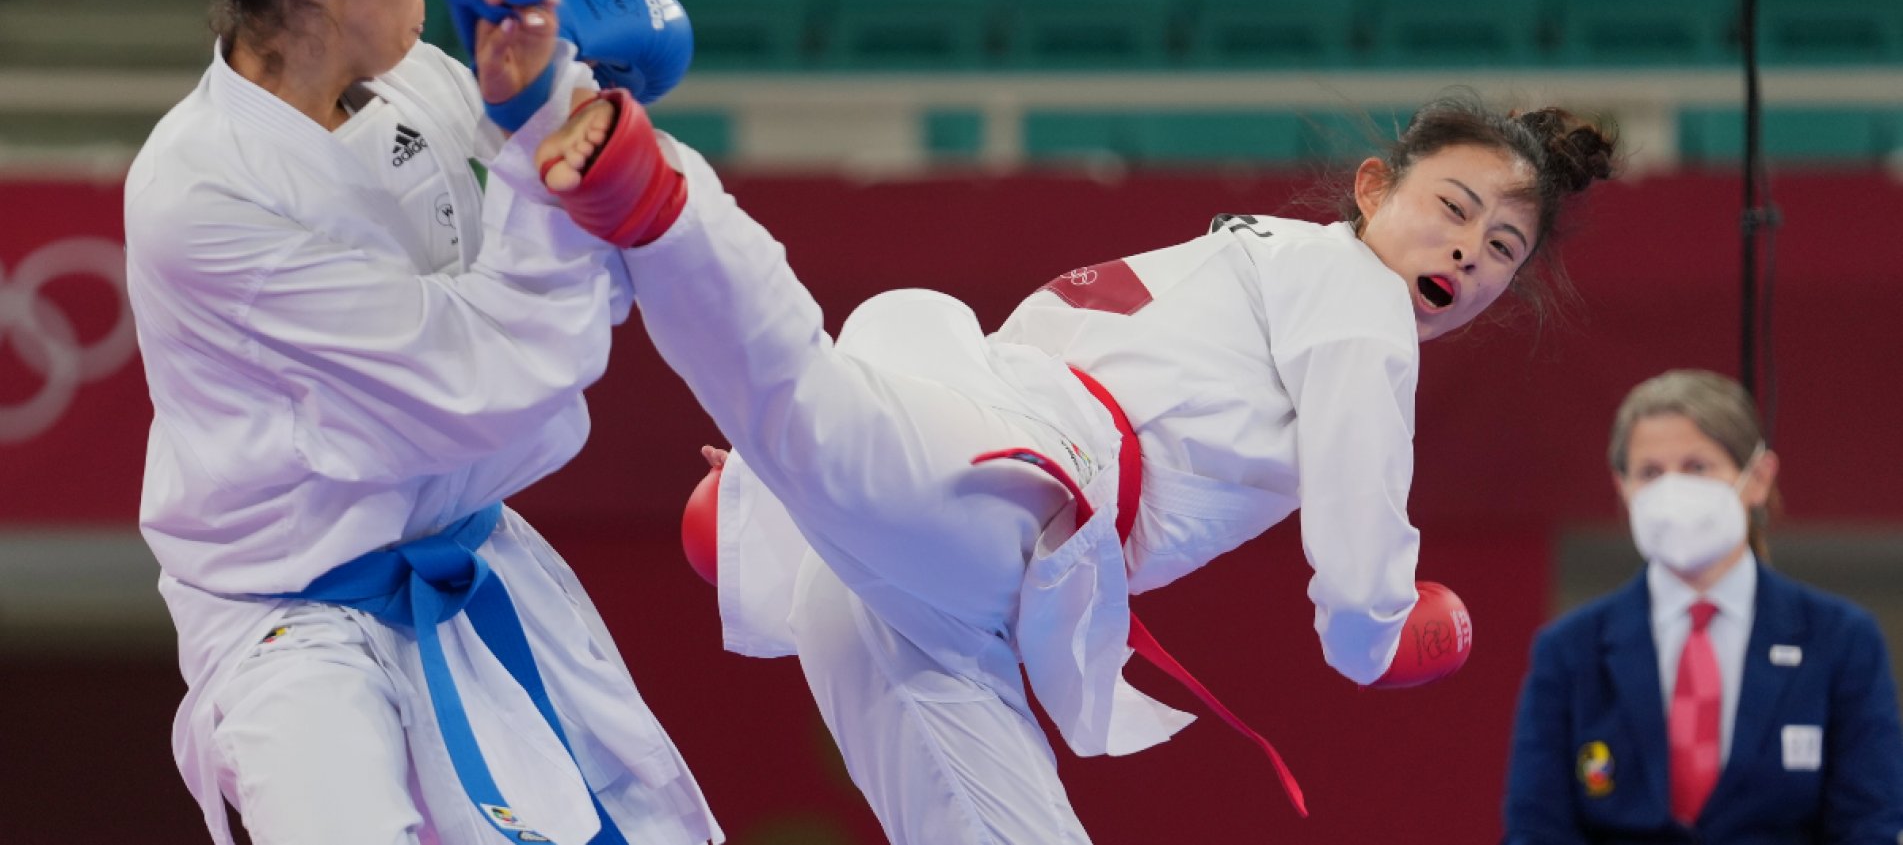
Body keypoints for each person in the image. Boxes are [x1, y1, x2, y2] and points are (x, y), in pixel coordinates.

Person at [538, 89, 1617, 842]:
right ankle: (657, 200)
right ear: (1373, 188)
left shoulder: (1252, 259)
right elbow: (1354, 554)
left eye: (1503, 249)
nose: (1470, 251)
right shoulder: (1358, 300)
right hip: (1008, 487)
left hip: (964, 552)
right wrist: (1382, 629)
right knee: (796, 399)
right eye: (1453, 208)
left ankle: (783, 502)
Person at [128, 0, 718, 845]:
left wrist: (578, 120)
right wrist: (554, 176)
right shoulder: (201, 186)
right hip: (295, 620)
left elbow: (607, 276)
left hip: (473, 560)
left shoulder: (426, 87)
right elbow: (486, 380)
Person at [1502, 370, 1903, 843]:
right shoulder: (1569, 650)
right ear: (1622, 486)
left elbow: (1870, 823)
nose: (1673, 492)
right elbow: (1536, 826)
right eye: (1650, 472)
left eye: (1697, 467)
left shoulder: (1839, 639)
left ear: (1757, 478)